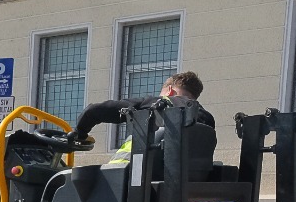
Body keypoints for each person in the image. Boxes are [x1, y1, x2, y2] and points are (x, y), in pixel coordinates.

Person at [76, 71, 211, 166]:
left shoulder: (160, 103)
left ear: (169, 90)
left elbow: (93, 111)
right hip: (186, 185)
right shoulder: (206, 119)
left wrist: (79, 133)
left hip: (127, 179)